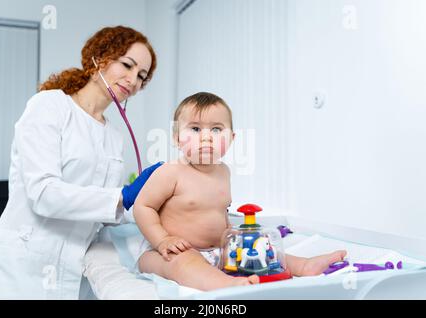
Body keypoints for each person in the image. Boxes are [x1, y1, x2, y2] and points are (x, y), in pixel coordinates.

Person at [0, 26, 162, 299]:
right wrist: (120, 197)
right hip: (24, 268)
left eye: (141, 76)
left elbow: (104, 212)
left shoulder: (114, 136)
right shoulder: (49, 106)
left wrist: (150, 205)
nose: (133, 80)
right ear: (100, 57)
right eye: (127, 65)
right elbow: (44, 194)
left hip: (76, 271)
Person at [133, 92, 347, 291]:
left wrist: (233, 238)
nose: (206, 137)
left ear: (232, 139)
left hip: (218, 250)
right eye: (195, 129)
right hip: (169, 252)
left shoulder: (223, 172)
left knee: (263, 250)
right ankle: (227, 284)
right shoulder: (170, 172)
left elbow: (218, 211)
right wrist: (162, 240)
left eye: (216, 129)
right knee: (184, 263)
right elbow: (144, 206)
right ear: (177, 138)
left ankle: (303, 266)